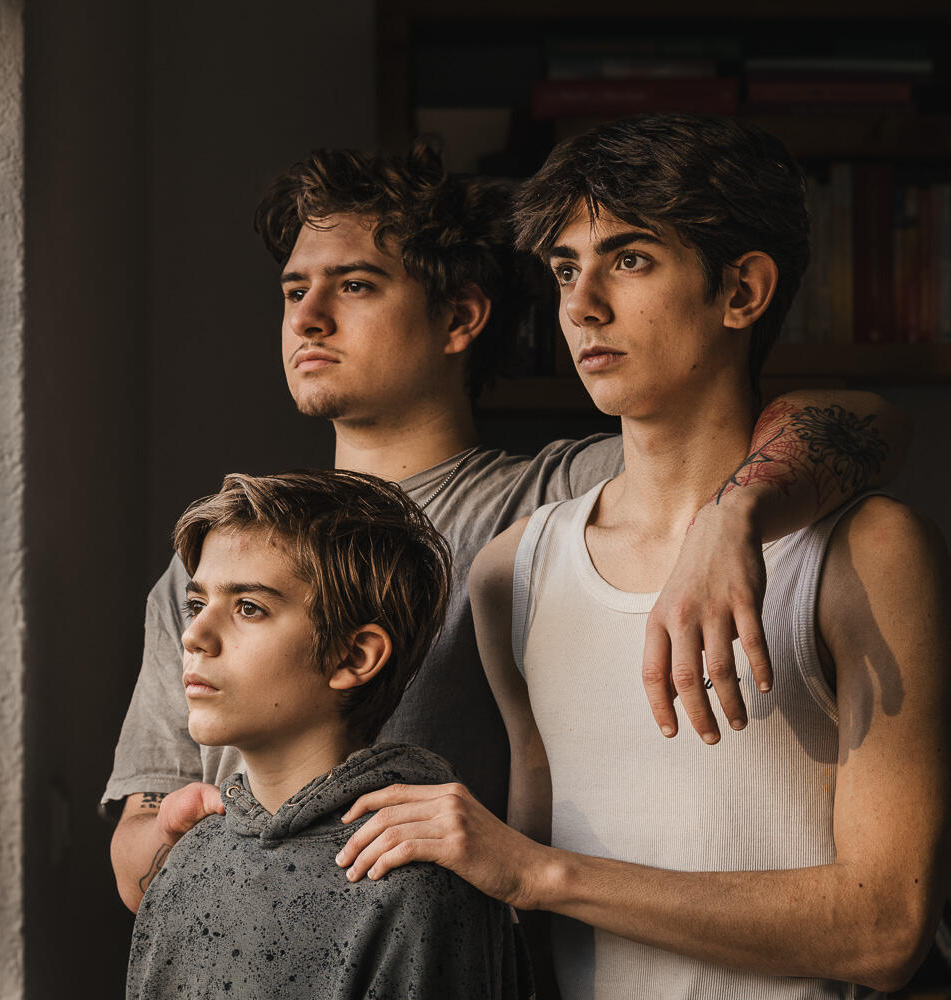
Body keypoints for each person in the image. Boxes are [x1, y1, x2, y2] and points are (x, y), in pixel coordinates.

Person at [105, 139, 908, 914]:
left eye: (353, 285)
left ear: (460, 317)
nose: (308, 318)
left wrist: (729, 515)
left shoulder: (550, 506)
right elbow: (138, 852)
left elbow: (862, 422)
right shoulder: (216, 560)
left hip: (446, 946)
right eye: (292, 291)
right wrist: (174, 839)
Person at [333, 115, 950, 998]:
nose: (582, 305)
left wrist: (541, 872)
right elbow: (538, 946)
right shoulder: (516, 571)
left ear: (742, 291)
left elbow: (884, 928)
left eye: (629, 259)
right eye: (564, 269)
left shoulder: (870, 554)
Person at [125, 470, 533, 1000]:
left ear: (353, 657)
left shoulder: (417, 883)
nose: (194, 636)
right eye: (197, 605)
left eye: (249, 608)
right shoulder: (187, 863)